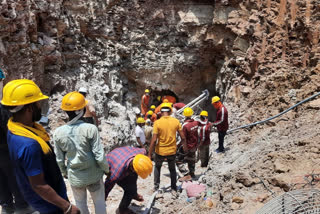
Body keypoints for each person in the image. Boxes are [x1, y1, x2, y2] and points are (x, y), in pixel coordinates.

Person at [1, 79, 79, 214]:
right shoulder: (29, 145)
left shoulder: (13, 127)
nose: (40, 107)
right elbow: (39, 185)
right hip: (50, 205)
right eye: (38, 103)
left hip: (42, 200)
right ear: (29, 108)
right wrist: (67, 207)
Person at [53, 91, 109, 214]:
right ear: (80, 111)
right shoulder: (91, 129)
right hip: (94, 174)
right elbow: (99, 155)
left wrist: (65, 173)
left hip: (75, 176)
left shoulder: (58, 133)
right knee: (99, 203)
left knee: (81, 205)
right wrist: (106, 170)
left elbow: (59, 159)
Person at [0, 73, 36, 214]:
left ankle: (6, 206)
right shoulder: (4, 109)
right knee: (15, 178)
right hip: (7, 151)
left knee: (2, 180)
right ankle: (22, 206)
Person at [148, 102, 186, 196]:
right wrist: (182, 146)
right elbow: (183, 137)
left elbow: (153, 140)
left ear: (160, 112)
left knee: (157, 167)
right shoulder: (176, 121)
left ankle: (156, 187)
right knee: (172, 169)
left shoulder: (157, 123)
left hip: (160, 151)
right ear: (170, 111)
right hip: (172, 151)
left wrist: (149, 154)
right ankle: (173, 188)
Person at [105, 147, 152, 214]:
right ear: (132, 168)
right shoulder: (117, 173)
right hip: (112, 162)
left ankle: (134, 194)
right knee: (129, 190)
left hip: (122, 155)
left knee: (133, 178)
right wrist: (100, 205)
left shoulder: (142, 153)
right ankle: (122, 210)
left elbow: (145, 149)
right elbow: (107, 187)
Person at [180, 107, 199, 178]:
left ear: (184, 115)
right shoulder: (195, 123)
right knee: (192, 159)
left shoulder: (185, 125)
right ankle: (192, 173)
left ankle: (186, 174)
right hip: (194, 144)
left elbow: (183, 138)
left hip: (188, 145)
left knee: (179, 159)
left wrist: (184, 147)